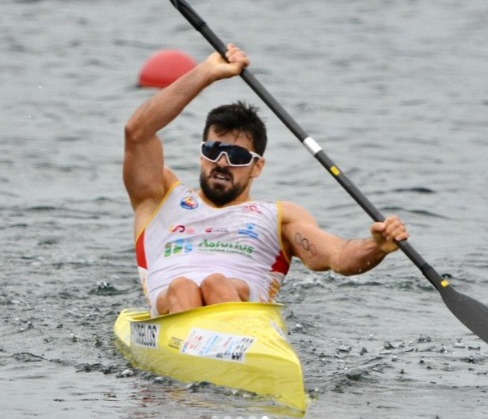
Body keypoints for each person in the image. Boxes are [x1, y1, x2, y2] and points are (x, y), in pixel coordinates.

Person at [123, 43, 409, 317]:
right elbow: (137, 133)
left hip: (239, 309)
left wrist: (377, 246)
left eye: (236, 156)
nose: (222, 162)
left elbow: (337, 257)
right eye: (213, 151)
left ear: (257, 167)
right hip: (173, 310)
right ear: (201, 156)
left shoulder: (279, 217)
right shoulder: (159, 197)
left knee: (217, 284)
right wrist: (206, 73)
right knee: (182, 287)